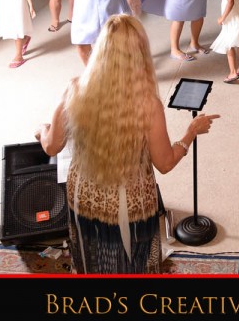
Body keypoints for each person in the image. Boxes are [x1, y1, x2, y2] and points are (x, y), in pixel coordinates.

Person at [35, 14, 218, 274]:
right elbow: (165, 163)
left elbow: (51, 147)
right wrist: (190, 132)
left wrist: (43, 130)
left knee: (90, 257)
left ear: (101, 48)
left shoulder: (73, 89)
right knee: (132, 263)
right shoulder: (148, 104)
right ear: (140, 53)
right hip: (129, 205)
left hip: (83, 198)